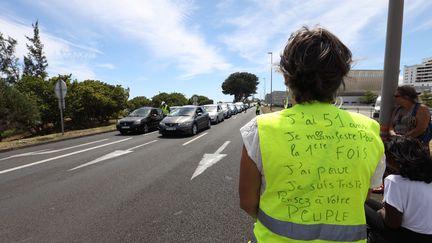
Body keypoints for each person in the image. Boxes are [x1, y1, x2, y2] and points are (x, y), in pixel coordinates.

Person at [239, 26, 385, 243]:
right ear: (340, 77)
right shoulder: (370, 130)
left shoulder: (260, 129)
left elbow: (248, 202)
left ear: (287, 77)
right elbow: (362, 195)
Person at [365, 136, 432, 243]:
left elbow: (393, 223)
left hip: (407, 236)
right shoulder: (426, 176)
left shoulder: (394, 181)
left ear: (395, 159)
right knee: (365, 200)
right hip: (427, 236)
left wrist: (382, 213)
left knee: (359, 205)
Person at [389, 85, 431, 150]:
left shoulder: (421, 109)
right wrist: (393, 134)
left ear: (407, 97)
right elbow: (391, 126)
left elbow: (421, 129)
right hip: (397, 144)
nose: (394, 98)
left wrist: (403, 138)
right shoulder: (397, 110)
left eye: (396, 96)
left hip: (414, 148)